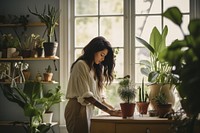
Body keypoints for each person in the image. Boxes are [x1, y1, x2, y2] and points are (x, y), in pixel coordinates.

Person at [65, 36, 122, 133]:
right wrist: (109, 111)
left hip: (89, 110)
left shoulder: (97, 70)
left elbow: (99, 97)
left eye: (104, 56)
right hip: (76, 109)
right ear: (94, 51)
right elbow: (87, 96)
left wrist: (114, 109)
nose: (103, 59)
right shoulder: (80, 65)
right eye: (101, 55)